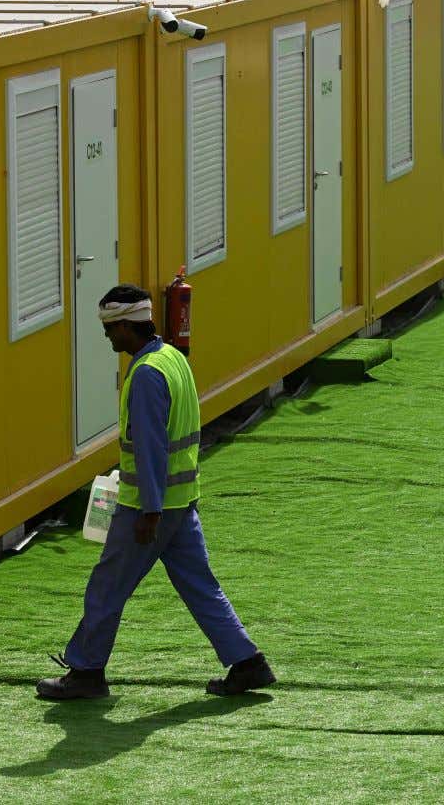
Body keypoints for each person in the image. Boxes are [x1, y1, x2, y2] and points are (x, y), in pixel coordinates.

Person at [36, 285, 274, 701]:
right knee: (200, 585)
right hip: (182, 502)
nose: (108, 338)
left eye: (111, 330)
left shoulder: (145, 374)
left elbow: (149, 447)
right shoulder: (173, 360)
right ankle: (247, 662)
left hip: (148, 508)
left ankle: (87, 671)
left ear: (127, 326)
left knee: (107, 587)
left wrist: (149, 512)